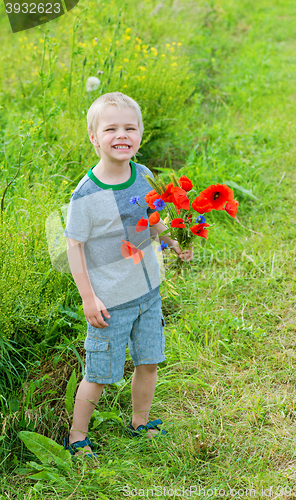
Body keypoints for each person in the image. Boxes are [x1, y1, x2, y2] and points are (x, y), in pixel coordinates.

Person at [63, 92, 193, 457]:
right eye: (111, 129)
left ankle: (141, 419)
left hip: (148, 293)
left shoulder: (144, 175)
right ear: (94, 137)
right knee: (99, 374)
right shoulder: (86, 195)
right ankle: (77, 436)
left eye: (129, 128)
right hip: (110, 303)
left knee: (149, 361)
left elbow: (153, 220)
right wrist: (89, 297)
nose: (121, 135)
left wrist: (172, 240)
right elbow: (74, 248)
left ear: (140, 134)